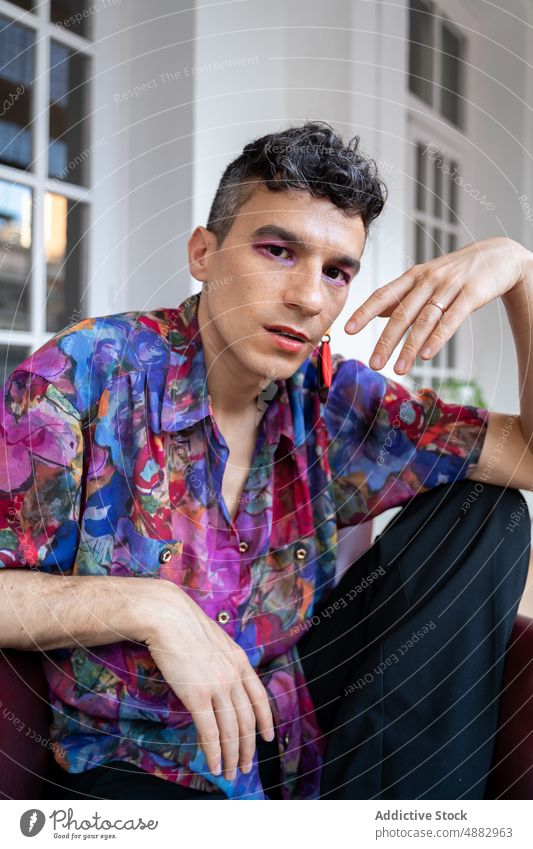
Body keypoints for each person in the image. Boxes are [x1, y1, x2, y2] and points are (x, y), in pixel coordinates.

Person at [0, 122, 531, 801]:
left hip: (297, 721)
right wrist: (152, 606)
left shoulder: (332, 398)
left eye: (336, 272)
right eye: (278, 250)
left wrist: (519, 272)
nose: (310, 299)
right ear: (203, 252)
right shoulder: (80, 374)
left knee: (484, 514)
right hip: (144, 756)